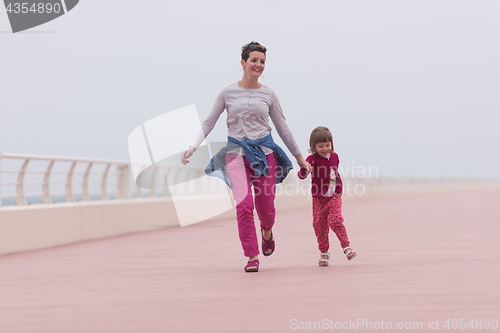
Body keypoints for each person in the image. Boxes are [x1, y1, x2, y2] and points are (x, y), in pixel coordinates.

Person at [181, 41, 311, 272]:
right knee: (243, 206)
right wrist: (193, 146)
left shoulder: (269, 94)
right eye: (254, 60)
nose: (258, 65)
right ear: (243, 63)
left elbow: (282, 127)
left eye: (262, 62)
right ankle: (252, 256)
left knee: (266, 207)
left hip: (265, 155)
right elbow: (209, 121)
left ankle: (267, 231)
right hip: (235, 154)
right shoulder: (227, 92)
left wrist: (299, 157)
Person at [298, 126, 356, 266]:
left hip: (334, 195)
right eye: (321, 146)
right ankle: (324, 252)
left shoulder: (335, 157)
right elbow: (301, 175)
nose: (325, 148)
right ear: (313, 146)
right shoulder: (311, 159)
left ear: (331, 143)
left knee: (335, 220)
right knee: (319, 225)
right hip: (319, 198)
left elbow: (335, 173)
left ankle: (346, 247)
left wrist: (339, 187)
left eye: (327, 145)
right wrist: (305, 169)